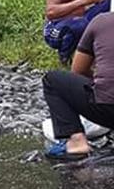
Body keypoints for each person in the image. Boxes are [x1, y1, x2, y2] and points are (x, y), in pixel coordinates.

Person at [43, 12, 114, 160]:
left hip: (107, 109)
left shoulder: (101, 21)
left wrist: (102, 79)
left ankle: (76, 142)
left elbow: (78, 70)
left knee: (52, 80)